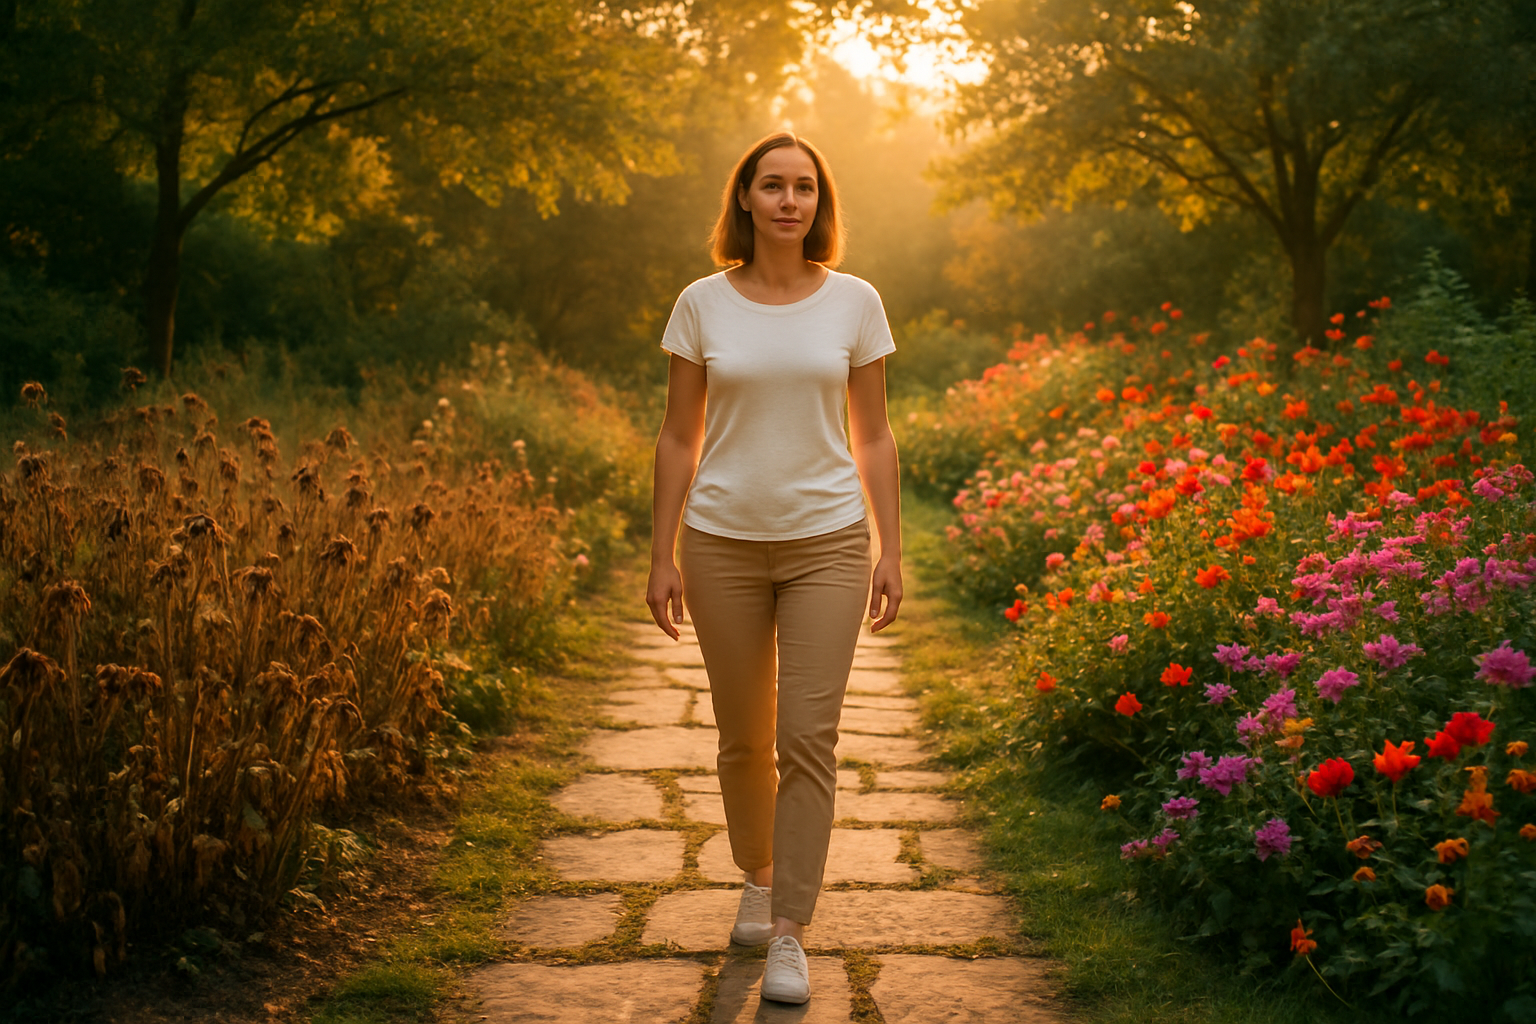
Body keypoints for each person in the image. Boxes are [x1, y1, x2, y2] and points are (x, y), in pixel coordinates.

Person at [645, 131, 903, 1006]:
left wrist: (889, 546)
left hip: (828, 540)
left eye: (804, 187)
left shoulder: (856, 302)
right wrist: (662, 552)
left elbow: (871, 432)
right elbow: (680, 434)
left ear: (818, 204)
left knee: (808, 737)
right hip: (720, 542)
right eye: (773, 186)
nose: (790, 200)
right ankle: (757, 876)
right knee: (742, 737)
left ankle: (790, 929)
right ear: (746, 200)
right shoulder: (701, 304)